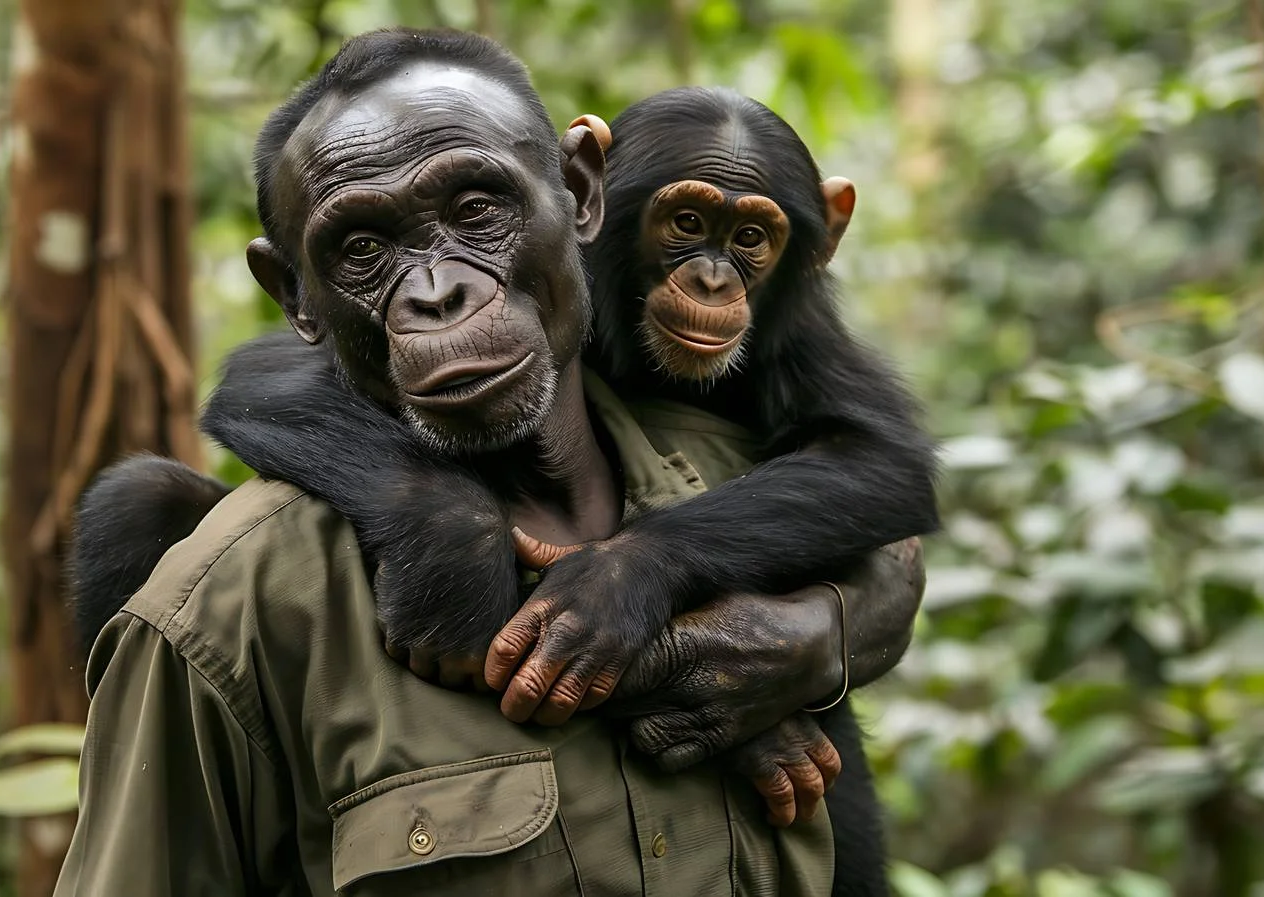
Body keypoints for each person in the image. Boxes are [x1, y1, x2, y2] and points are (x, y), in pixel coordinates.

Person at [55, 28, 925, 896]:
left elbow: (881, 488)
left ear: (577, 191)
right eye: (364, 248)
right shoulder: (242, 591)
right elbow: (252, 383)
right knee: (144, 503)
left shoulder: (753, 400)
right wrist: (434, 509)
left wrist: (814, 638)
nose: (439, 286)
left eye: (475, 213)